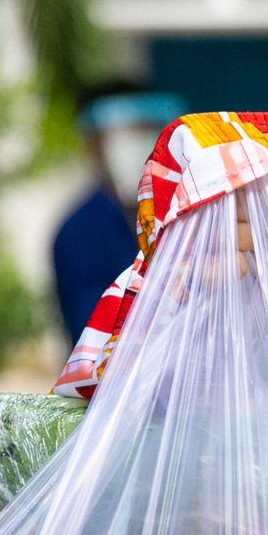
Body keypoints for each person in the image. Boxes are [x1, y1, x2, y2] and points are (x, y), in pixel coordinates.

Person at [52, 88, 186, 345]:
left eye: (146, 129)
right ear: (93, 145)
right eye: (126, 134)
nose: (140, 144)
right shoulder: (78, 233)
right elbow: (93, 334)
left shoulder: (184, 213)